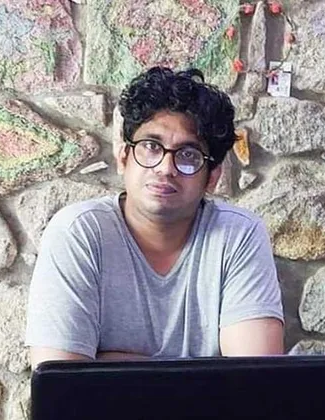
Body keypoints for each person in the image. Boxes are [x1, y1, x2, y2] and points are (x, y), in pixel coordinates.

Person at [25, 66, 284, 367]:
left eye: (188, 155)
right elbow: (61, 382)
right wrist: (206, 373)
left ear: (212, 177)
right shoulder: (78, 233)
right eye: (151, 147)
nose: (165, 168)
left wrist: (104, 361)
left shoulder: (238, 235)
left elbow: (254, 380)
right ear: (124, 158)